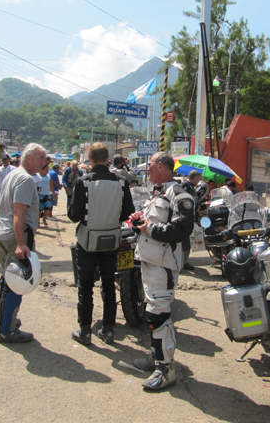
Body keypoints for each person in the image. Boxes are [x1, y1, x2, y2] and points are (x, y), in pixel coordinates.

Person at [130, 151, 195, 391]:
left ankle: (166, 369)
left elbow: (182, 229)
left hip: (163, 265)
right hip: (150, 261)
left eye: (149, 165)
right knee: (152, 311)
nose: (146, 170)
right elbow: (154, 223)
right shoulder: (158, 192)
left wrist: (150, 230)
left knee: (159, 314)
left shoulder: (179, 194)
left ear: (160, 166)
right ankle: (156, 357)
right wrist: (139, 221)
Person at [68, 143, 135, 346]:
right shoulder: (121, 182)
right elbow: (127, 213)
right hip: (112, 239)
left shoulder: (82, 182)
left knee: (85, 286)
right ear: (108, 158)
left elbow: (74, 216)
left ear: (89, 158)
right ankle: (108, 330)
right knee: (108, 284)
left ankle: (85, 330)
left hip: (87, 240)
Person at [0, 143, 46, 343]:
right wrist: (21, 243)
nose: (44, 162)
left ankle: (7, 322)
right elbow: (18, 212)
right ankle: (7, 329)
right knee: (16, 283)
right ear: (28, 158)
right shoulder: (25, 179)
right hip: (16, 236)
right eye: (41, 158)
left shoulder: (12, 175)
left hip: (4, 233)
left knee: (8, 279)